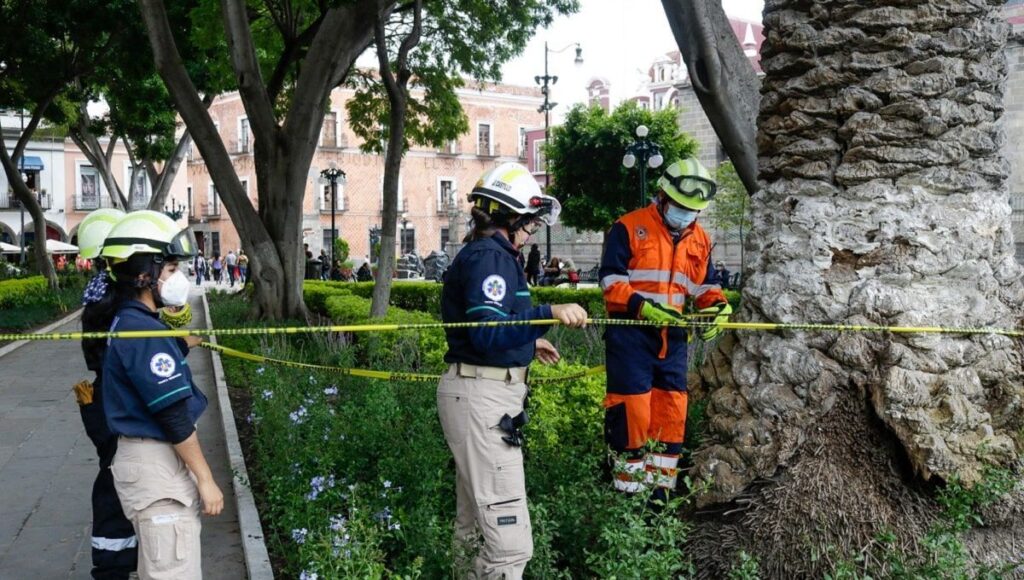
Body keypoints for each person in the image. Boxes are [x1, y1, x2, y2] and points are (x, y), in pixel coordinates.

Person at [438, 162, 587, 578]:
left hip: (479, 393)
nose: (531, 232)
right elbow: (486, 331)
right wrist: (549, 313)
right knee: (510, 545)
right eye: (531, 224)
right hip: (483, 400)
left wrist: (527, 342)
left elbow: (486, 328)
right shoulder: (491, 259)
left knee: (472, 528)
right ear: (513, 217)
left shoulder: (489, 255)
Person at [99, 210, 224, 579]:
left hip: (147, 463)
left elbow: (142, 373)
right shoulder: (144, 332)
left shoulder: (134, 321)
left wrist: (176, 346)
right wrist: (205, 478)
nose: (177, 278)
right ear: (143, 274)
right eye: (169, 269)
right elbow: (172, 414)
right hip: (156, 464)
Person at [599, 157, 731, 500]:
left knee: (671, 415)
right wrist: (644, 307)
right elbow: (611, 282)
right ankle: (627, 503)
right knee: (632, 417)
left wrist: (717, 307)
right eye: (682, 206)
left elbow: (705, 285)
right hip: (630, 336)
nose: (687, 214)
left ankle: (659, 502)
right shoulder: (628, 227)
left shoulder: (700, 239)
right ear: (662, 195)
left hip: (672, 340)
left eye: (694, 209)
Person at [75, 209, 138, 579]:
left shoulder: (99, 291)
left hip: (103, 398)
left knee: (114, 470)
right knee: (116, 478)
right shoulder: (115, 297)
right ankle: (115, 565)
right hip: (114, 399)